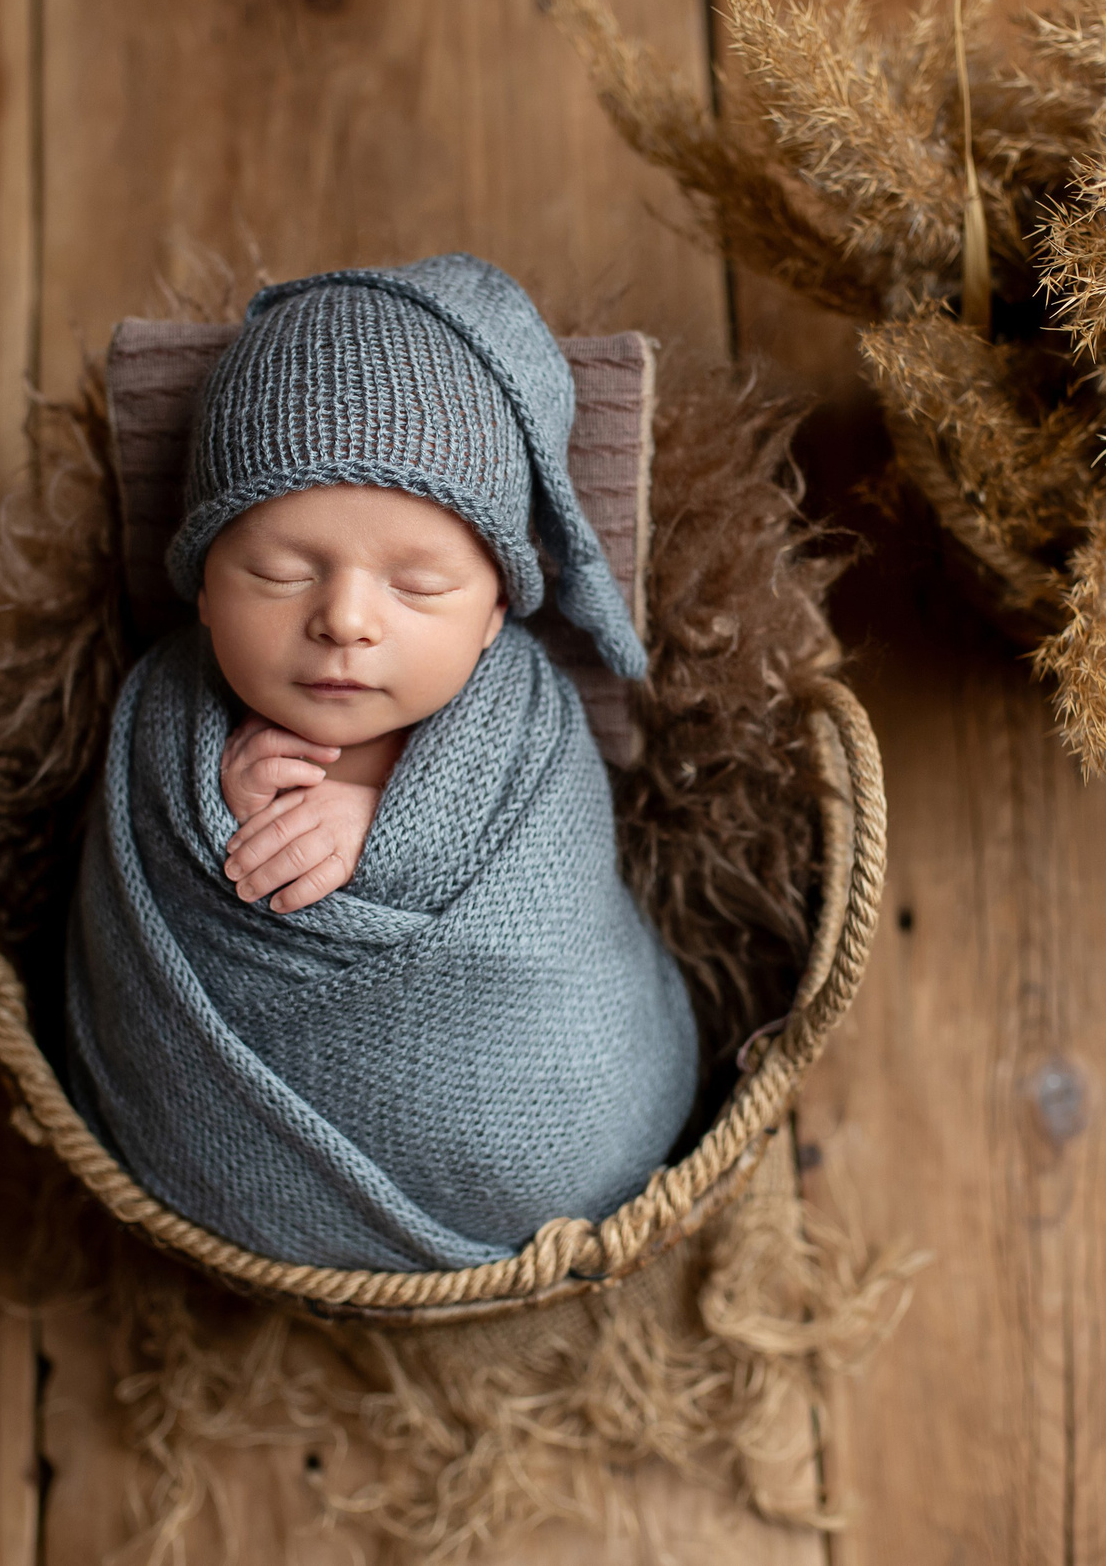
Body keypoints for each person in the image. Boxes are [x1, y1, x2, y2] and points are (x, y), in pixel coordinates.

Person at [63, 254, 699, 1273]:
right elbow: (149, 901)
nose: (346, 620)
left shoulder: (526, 726)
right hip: (228, 1157)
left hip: (547, 1085)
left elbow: (557, 894)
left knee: (571, 1104)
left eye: (419, 585)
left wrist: (384, 823)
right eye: (281, 572)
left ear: (495, 612)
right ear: (202, 587)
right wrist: (227, 814)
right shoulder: (165, 719)